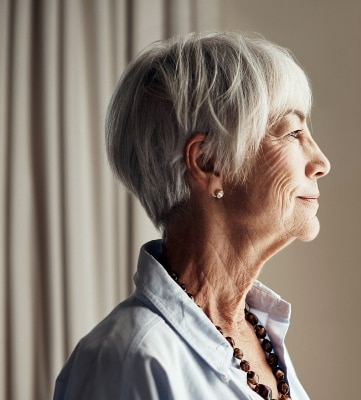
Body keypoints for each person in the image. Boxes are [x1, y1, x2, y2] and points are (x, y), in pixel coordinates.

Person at [53, 32, 330, 400]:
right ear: (207, 162)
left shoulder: (257, 334)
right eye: (292, 132)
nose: (322, 163)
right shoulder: (130, 358)